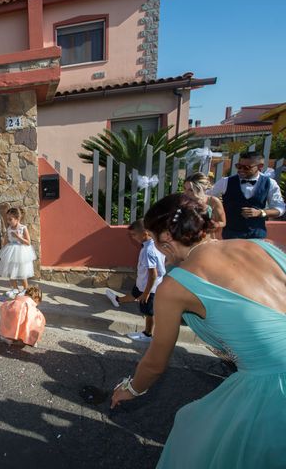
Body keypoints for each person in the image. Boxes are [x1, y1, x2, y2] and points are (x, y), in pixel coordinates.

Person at [111, 193, 286, 468]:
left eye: (155, 238)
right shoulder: (262, 245)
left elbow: (156, 362)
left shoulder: (175, 286)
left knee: (197, 439)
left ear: (166, 237)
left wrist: (131, 389)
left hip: (273, 386)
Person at [105, 219, 165, 343]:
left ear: (145, 233)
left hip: (149, 288)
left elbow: (153, 275)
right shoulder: (156, 244)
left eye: (134, 235)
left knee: (149, 312)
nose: (132, 238)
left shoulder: (149, 251)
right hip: (143, 285)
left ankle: (148, 334)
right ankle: (117, 300)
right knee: (134, 294)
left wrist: (147, 293)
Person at [209, 151, 285, 239]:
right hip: (231, 237)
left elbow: (280, 208)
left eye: (246, 167)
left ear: (260, 166)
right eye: (239, 166)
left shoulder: (270, 183)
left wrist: (261, 212)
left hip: (257, 237)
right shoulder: (225, 182)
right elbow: (206, 198)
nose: (241, 170)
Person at [0, 207, 36, 298]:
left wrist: (18, 237)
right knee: (11, 271)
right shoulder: (9, 229)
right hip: (11, 251)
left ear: (17, 219)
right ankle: (15, 288)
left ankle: (25, 289)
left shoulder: (23, 228)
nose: (9, 221)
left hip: (21, 252)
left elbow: (28, 242)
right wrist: (3, 248)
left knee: (22, 272)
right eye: (7, 219)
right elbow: (5, 241)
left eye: (11, 219)